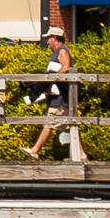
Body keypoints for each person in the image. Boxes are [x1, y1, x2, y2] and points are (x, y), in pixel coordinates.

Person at [25, 25, 81, 160]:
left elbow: (66, 67)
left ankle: (35, 150)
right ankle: (81, 154)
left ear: (55, 38)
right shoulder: (57, 52)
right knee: (71, 124)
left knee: (50, 122)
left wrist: (53, 79)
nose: (47, 41)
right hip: (59, 96)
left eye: (49, 38)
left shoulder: (62, 51)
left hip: (60, 96)